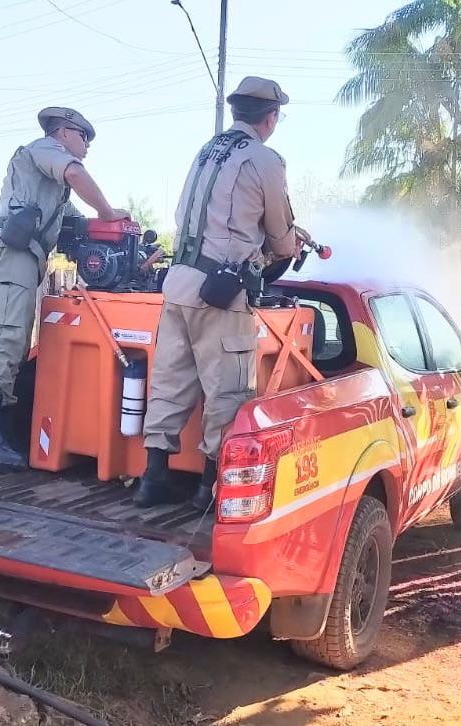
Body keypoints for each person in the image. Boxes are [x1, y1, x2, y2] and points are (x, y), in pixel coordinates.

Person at [136, 76, 308, 511]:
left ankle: (153, 479)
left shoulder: (206, 151)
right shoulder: (265, 160)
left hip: (178, 287)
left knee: (170, 383)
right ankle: (209, 491)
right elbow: (283, 240)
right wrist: (290, 243)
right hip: (222, 294)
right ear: (270, 119)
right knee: (228, 392)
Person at [0, 106, 128, 470]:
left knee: (14, 340)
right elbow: (75, 173)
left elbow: (77, 224)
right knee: (4, 336)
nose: (87, 145)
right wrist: (108, 212)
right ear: (62, 133)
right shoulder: (43, 150)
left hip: (24, 256)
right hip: (14, 253)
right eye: (83, 136)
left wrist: (125, 233)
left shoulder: (51, 191)